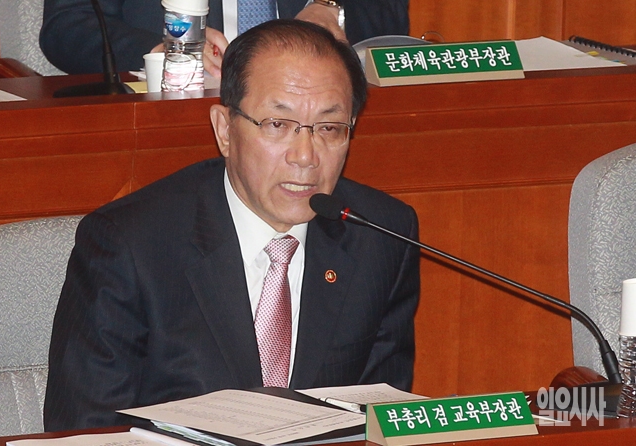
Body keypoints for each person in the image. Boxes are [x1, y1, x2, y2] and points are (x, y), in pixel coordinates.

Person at [43, 19, 420, 431]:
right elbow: (85, 429)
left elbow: (377, 420)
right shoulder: (130, 245)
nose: (305, 156)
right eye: (278, 125)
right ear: (224, 130)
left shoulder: (380, 236)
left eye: (329, 128)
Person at [39, 0, 410, 75]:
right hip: (175, 114)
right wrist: (166, 52)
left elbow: (389, 13)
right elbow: (68, 24)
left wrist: (329, 7)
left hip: (311, 106)